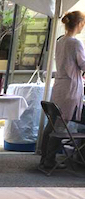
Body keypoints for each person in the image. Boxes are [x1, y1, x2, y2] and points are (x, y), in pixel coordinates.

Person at [40, 11, 85, 171]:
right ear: (80, 24)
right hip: (70, 89)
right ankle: (50, 161)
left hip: (59, 87)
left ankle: (44, 157)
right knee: (60, 126)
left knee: (52, 124)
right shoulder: (75, 43)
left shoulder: (60, 41)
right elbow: (83, 65)